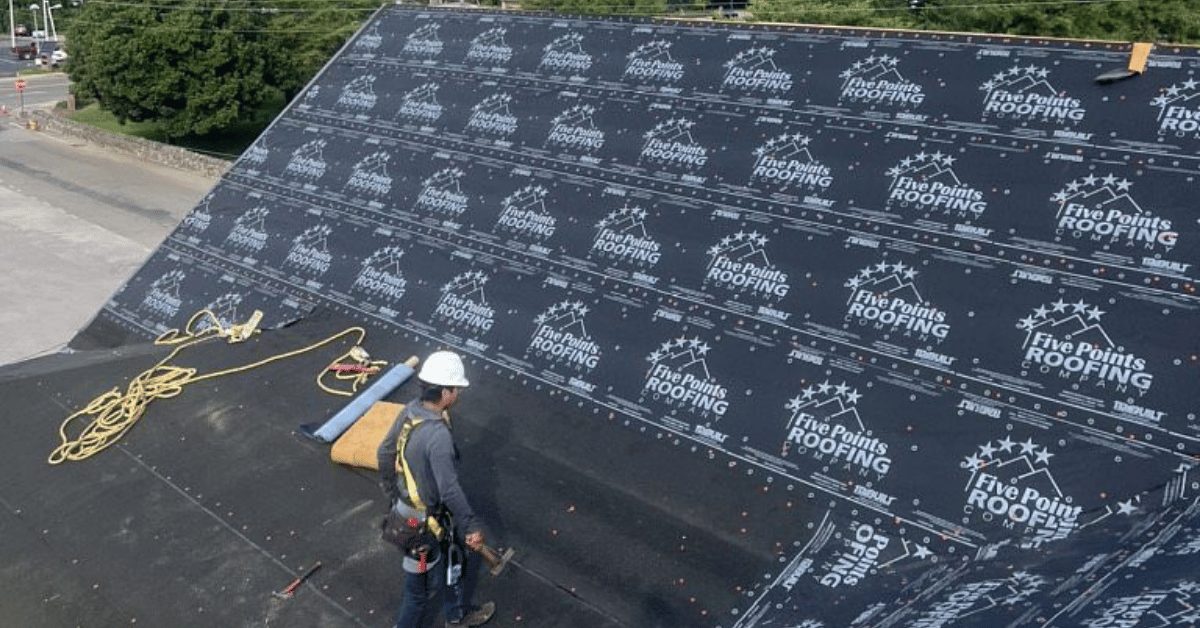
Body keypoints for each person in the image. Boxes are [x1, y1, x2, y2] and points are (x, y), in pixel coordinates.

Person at [378, 350, 495, 628]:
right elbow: (450, 490)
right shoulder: (438, 435)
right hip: (423, 530)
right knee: (418, 591)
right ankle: (441, 620)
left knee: (447, 564)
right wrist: (471, 527)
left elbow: (384, 453)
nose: (458, 395)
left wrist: (393, 496)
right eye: (456, 389)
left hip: (410, 517)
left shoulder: (409, 413)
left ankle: (456, 615)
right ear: (444, 392)